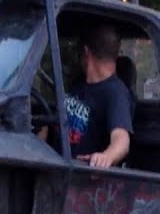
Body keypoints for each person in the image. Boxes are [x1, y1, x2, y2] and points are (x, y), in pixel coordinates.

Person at [47, 24, 135, 168]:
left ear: (86, 53)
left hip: (84, 179)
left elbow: (122, 139)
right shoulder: (78, 85)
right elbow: (50, 123)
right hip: (53, 167)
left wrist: (105, 157)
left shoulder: (116, 93)